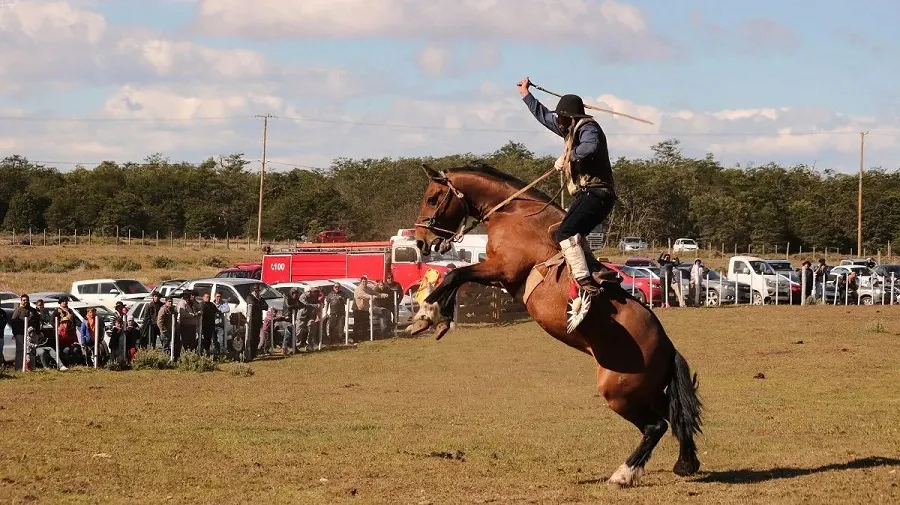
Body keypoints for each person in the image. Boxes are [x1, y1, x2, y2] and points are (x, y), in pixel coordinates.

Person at [517, 76, 618, 294]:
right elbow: (544, 117)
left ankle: (583, 279)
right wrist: (526, 95)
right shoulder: (569, 128)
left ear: (571, 118)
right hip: (588, 195)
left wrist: (568, 156)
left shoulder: (589, 128)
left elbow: (590, 147)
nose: (558, 122)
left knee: (565, 232)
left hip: (596, 193)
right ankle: (596, 270)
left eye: (562, 118)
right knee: (574, 234)